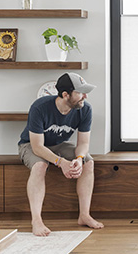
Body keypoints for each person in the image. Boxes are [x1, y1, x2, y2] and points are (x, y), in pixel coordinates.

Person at [18, 72, 104, 237]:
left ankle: (84, 215)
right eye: (80, 92)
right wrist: (61, 162)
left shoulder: (85, 109)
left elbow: (84, 143)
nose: (85, 96)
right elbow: (37, 147)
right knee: (40, 165)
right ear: (66, 95)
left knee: (88, 162)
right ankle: (36, 220)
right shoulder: (39, 107)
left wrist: (78, 159)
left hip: (60, 145)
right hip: (30, 145)